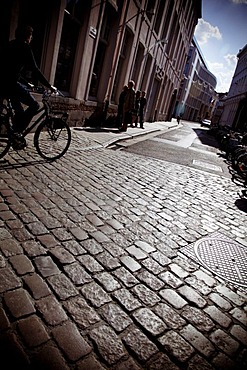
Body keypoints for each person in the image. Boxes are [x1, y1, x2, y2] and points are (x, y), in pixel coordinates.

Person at [0, 24, 56, 147]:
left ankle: (14, 133)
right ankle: (17, 133)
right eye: (30, 36)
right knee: (35, 105)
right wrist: (49, 86)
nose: (31, 39)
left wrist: (27, 83)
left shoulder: (10, 44)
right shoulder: (25, 47)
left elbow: (12, 70)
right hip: (10, 84)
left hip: (4, 83)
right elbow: (35, 70)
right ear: (27, 37)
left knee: (19, 112)